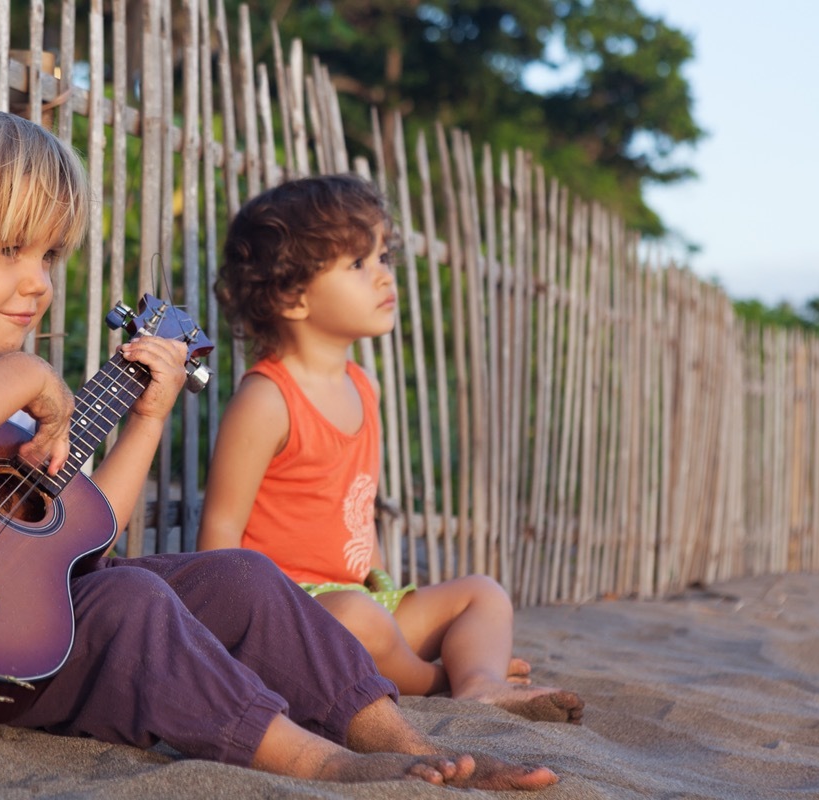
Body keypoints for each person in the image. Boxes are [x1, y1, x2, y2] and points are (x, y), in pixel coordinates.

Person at [0, 102, 561, 789]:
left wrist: (147, 417)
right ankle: (318, 761)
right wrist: (24, 374)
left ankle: (393, 737)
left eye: (48, 257)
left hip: (26, 627)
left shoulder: (2, 401)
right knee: (131, 599)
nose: (38, 283)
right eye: (10, 249)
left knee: (241, 576)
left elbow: (83, 525)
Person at [198, 174, 583, 724]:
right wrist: (228, 641)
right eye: (358, 264)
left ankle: (478, 682)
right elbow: (219, 536)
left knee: (483, 593)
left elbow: (356, 507)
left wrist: (385, 584)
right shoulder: (267, 400)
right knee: (358, 620)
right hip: (292, 615)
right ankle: (442, 677)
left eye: (383, 255)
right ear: (292, 296)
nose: (384, 275)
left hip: (362, 597)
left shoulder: (363, 386)